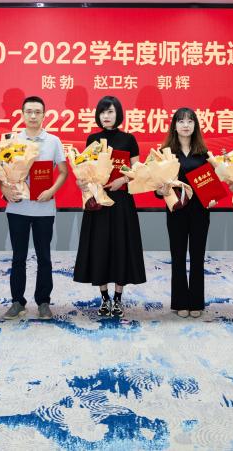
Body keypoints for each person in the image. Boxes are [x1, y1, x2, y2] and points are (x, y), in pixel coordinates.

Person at [73, 95, 146, 318]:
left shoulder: (129, 139)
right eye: (103, 112)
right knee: (100, 248)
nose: (106, 116)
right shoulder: (92, 139)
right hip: (99, 202)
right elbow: (85, 168)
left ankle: (118, 298)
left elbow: (137, 170)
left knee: (121, 247)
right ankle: (104, 297)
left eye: (111, 111)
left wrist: (122, 180)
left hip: (122, 202)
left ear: (118, 114)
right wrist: (82, 181)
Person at [1, 96, 68, 321]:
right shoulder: (11, 140)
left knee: (44, 257)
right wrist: (5, 189)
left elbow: (63, 172)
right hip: (17, 207)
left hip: (44, 208)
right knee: (18, 257)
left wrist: (52, 191)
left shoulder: (53, 141)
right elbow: (0, 172)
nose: (32, 116)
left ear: (44, 115)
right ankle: (17, 301)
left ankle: (43, 302)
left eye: (37, 112)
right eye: (28, 112)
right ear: (22, 114)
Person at [159, 107, 212, 318]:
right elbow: (157, 186)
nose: (186, 125)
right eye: (181, 121)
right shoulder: (166, 153)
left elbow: (211, 184)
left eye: (190, 121)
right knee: (178, 256)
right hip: (176, 212)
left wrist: (213, 196)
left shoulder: (204, 154)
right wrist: (160, 190)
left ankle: (196, 302)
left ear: (195, 125)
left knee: (198, 257)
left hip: (200, 212)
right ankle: (180, 301)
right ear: (174, 126)